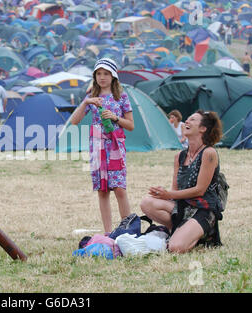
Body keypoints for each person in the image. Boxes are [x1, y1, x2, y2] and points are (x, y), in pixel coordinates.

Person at [140, 110, 223, 253]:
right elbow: (176, 190)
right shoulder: (179, 156)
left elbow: (200, 190)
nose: (187, 122)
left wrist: (168, 194)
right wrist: (164, 193)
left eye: (193, 120)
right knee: (146, 203)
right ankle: (184, 230)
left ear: (203, 129)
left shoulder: (209, 153)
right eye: (187, 119)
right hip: (183, 207)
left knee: (175, 247)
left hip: (203, 209)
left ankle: (201, 234)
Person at [69, 58, 135, 234]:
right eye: (99, 74)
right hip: (97, 146)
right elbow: (74, 122)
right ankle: (107, 232)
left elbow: (130, 125)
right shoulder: (91, 97)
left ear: (113, 76)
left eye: (106, 74)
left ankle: (126, 230)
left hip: (115, 144)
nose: (102, 77)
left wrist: (115, 117)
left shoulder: (121, 97)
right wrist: (85, 103)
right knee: (102, 190)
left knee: (119, 188)